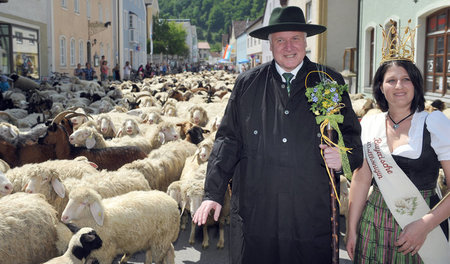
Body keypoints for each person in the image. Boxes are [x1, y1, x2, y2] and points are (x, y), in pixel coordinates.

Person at [192, 6, 363, 264]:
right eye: (280, 40)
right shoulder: (247, 84)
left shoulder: (328, 82)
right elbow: (228, 140)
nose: (288, 46)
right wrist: (212, 194)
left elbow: (352, 139)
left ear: (306, 42)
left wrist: (343, 158)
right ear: (270, 46)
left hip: (309, 215)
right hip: (258, 217)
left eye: (295, 38)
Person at [346, 23, 450, 263]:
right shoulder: (371, 124)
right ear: (381, 88)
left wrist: (425, 225)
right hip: (373, 225)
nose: (399, 86)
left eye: (406, 79)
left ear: (416, 85)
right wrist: (351, 230)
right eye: (391, 80)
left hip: (422, 225)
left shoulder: (434, 123)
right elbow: (361, 180)